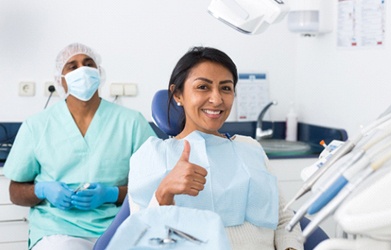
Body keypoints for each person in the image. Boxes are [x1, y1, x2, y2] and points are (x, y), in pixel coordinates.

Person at [124, 46, 304, 250]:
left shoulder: (250, 148)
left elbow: (284, 218)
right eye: (203, 87)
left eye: (226, 88)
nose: (217, 99)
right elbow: (141, 240)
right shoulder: (150, 156)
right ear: (178, 95)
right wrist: (164, 192)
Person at [3, 42, 156, 250]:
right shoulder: (37, 126)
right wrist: (42, 190)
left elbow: (153, 186)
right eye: (72, 66)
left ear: (99, 72)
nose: (82, 70)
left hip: (119, 228)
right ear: (61, 79)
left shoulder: (131, 123)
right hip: (57, 231)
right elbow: (15, 192)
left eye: (88, 64)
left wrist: (111, 193)